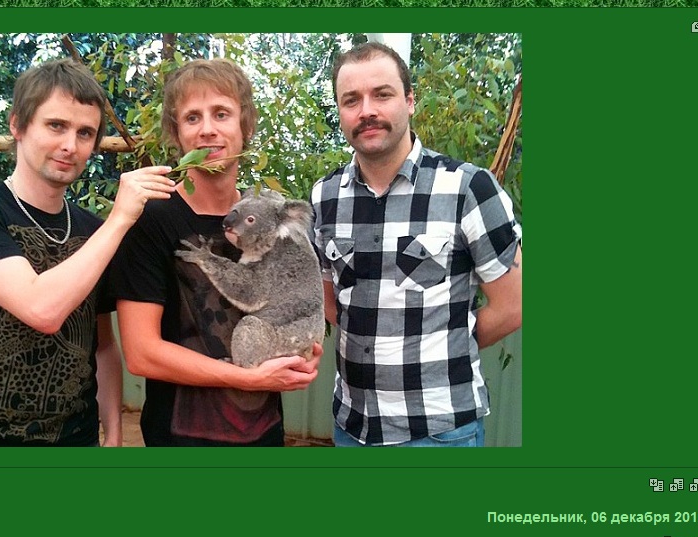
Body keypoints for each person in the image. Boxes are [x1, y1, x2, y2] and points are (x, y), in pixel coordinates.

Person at [0, 58, 175, 446]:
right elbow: (40, 309)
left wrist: (113, 433)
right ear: (18, 125)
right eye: (56, 125)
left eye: (85, 133)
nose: (69, 145)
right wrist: (119, 220)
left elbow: (103, 345)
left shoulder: (93, 231)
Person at [312, 42, 523, 447]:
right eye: (351, 100)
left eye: (382, 94)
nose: (366, 110)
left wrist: (444, 348)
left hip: (440, 433)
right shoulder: (324, 198)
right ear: (340, 111)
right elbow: (331, 303)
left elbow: (514, 305)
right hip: (351, 427)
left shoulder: (467, 188)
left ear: (410, 101)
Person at [111, 59, 321, 447]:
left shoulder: (272, 217)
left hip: (264, 436)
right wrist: (248, 377)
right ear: (178, 134)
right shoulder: (151, 220)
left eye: (221, 114)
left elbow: (298, 302)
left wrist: (302, 350)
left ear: (245, 125)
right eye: (192, 117)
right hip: (179, 443)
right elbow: (141, 354)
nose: (208, 129)